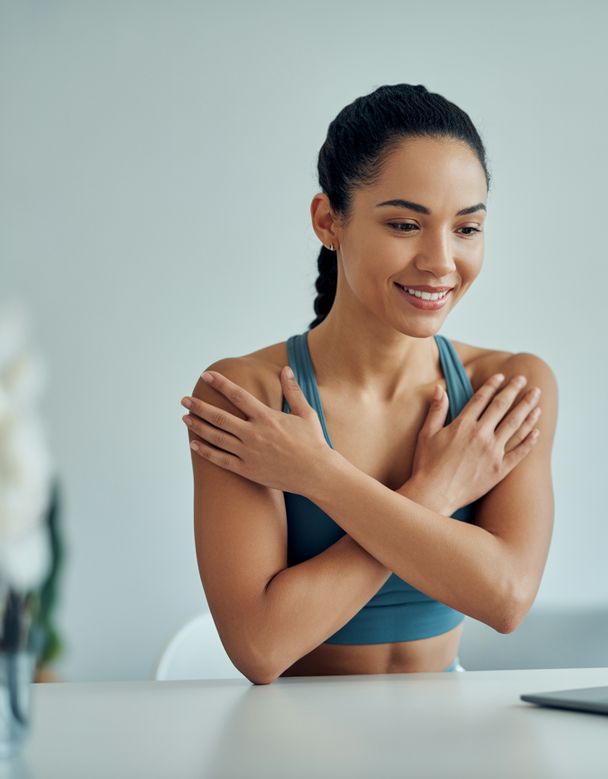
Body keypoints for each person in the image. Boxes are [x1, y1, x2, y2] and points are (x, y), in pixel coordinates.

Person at [179, 85, 557, 685]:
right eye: (406, 224)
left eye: (466, 229)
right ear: (329, 221)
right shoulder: (246, 395)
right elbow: (261, 646)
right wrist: (434, 492)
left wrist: (318, 475)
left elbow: (507, 598)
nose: (440, 261)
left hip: (451, 733)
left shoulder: (505, 387)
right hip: (296, 740)